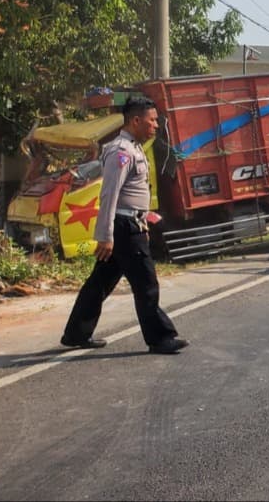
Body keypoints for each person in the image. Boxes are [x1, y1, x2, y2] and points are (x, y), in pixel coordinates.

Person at [61, 97, 187, 355]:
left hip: (130, 224)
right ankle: (161, 338)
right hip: (123, 227)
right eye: (151, 120)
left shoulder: (134, 147)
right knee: (146, 284)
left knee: (99, 283)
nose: (155, 125)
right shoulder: (121, 151)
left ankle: (76, 333)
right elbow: (109, 194)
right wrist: (106, 236)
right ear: (136, 120)